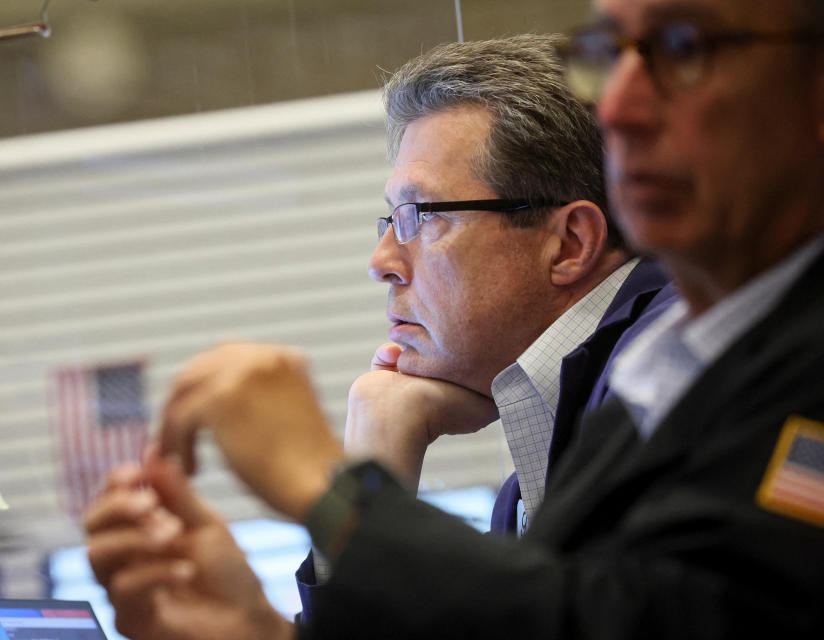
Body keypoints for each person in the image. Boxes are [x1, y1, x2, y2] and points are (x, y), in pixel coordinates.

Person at [88, 0, 824, 633]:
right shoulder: (648, 382)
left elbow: (634, 621)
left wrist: (331, 488)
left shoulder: (758, 366)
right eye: (610, 53)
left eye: (681, 49)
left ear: (570, 242)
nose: (622, 103)